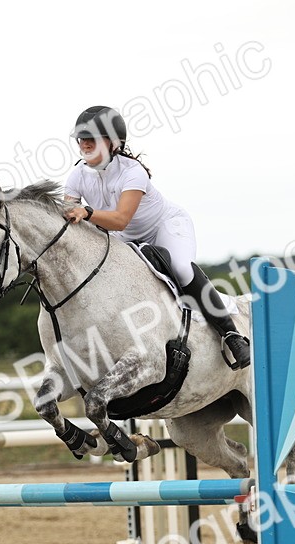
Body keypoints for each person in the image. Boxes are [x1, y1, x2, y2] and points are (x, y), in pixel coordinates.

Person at [62, 105, 251, 370]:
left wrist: (87, 212)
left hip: (164, 227)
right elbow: (69, 217)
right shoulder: (76, 175)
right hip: (126, 240)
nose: (84, 144)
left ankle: (232, 336)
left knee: (182, 269)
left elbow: (120, 219)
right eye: (82, 139)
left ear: (113, 142)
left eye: (91, 139)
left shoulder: (132, 172)